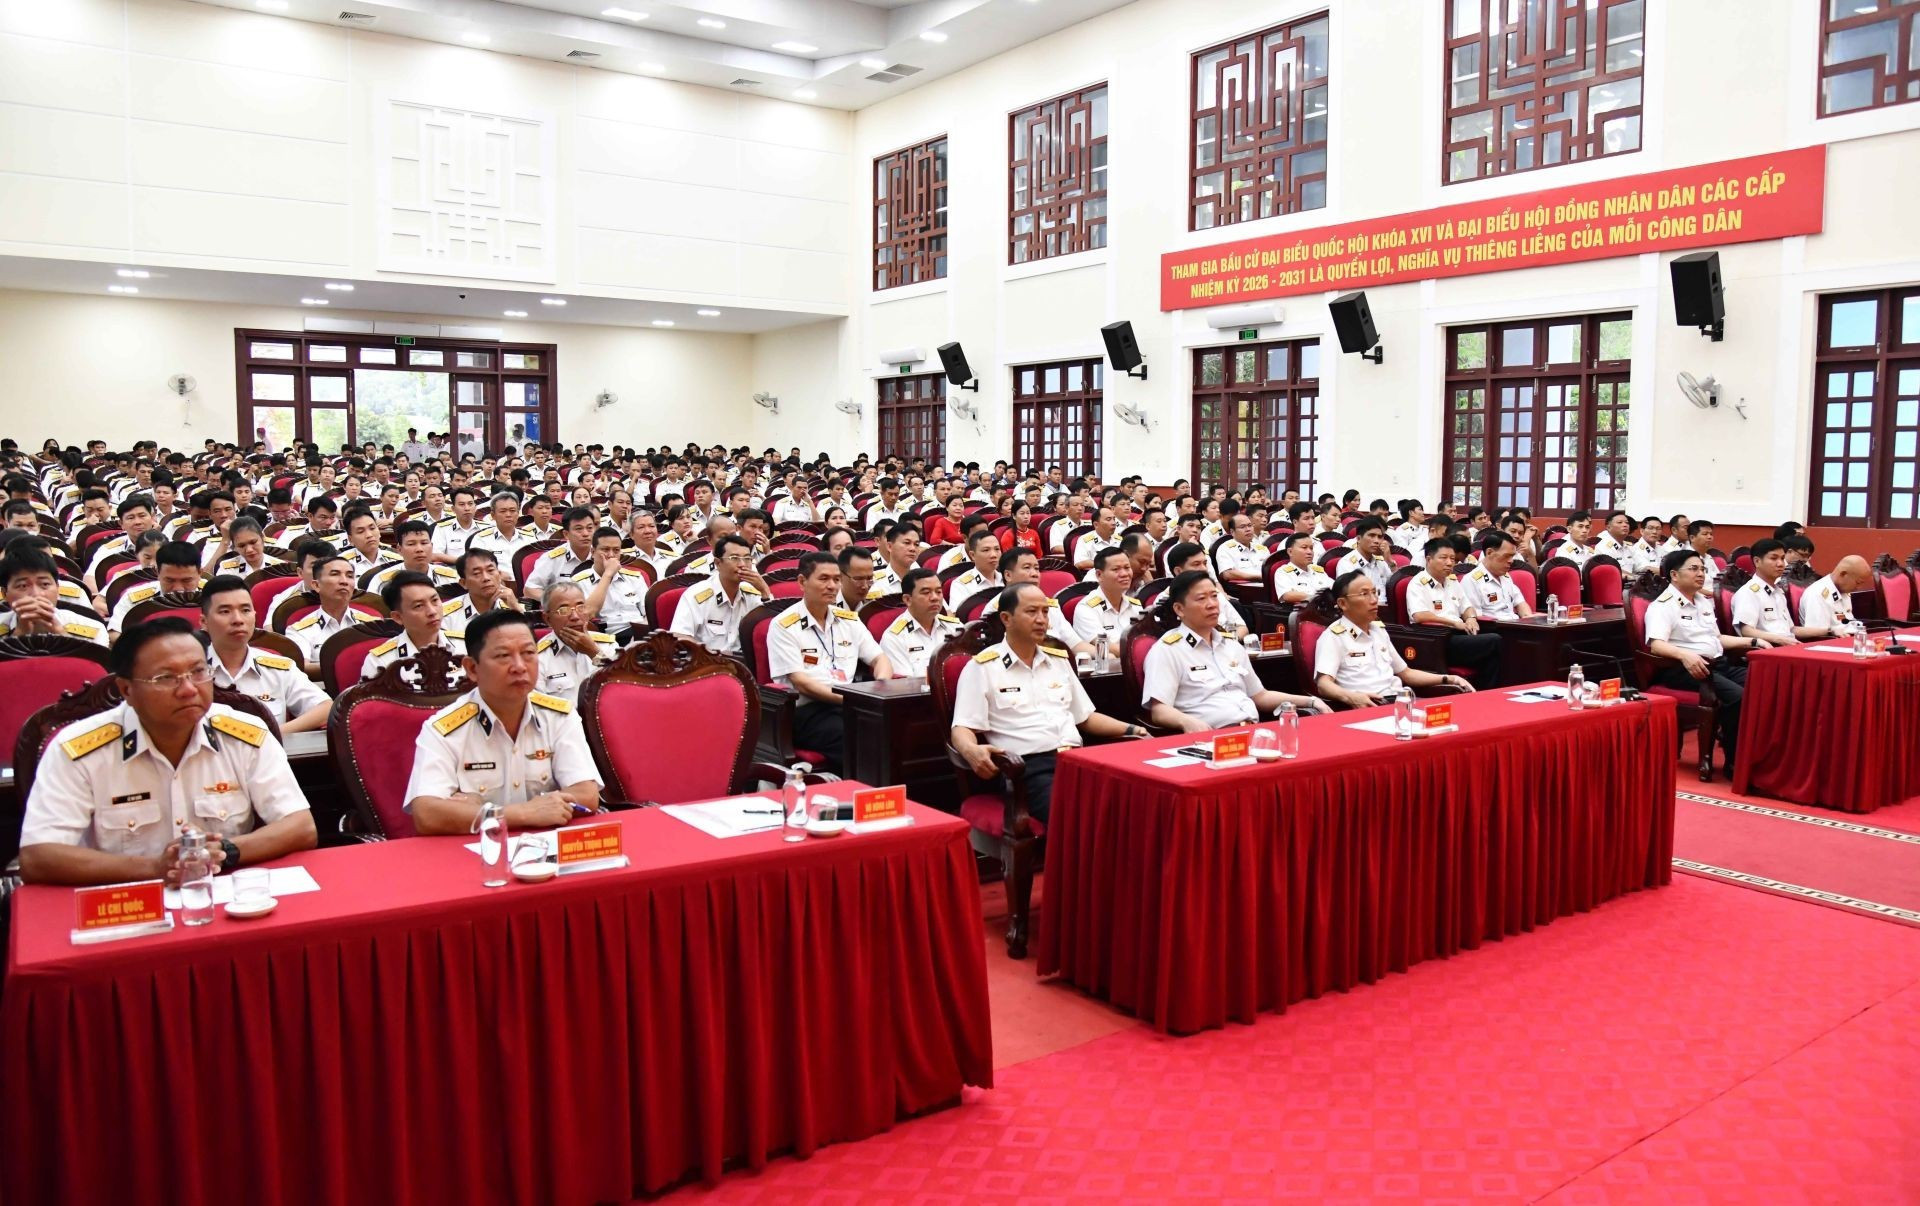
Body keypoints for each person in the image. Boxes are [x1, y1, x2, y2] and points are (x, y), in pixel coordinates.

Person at [19, 617, 317, 885]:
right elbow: (39, 857)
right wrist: (155, 868)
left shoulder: (245, 734)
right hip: (124, 904)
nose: (188, 689)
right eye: (166, 678)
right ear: (126, 690)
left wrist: (226, 850)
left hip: (221, 896)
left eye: (198, 672)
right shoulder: (78, 749)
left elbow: (300, 827)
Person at [950, 583, 1143, 823]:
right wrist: (971, 751)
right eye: (1032, 612)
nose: (1042, 619)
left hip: (1079, 761)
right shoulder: (983, 667)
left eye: (1045, 612)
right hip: (1029, 770)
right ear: (1006, 618)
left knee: (1134, 805)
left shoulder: (1058, 660)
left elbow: (1085, 717)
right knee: (1080, 818)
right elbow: (962, 727)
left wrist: (1134, 730)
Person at [403, 609, 602, 836]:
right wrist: (523, 813)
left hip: (547, 850)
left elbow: (586, 794)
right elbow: (427, 814)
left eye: (528, 653)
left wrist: (478, 811)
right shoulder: (444, 729)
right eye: (503, 656)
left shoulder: (559, 715)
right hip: (477, 855)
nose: (519, 666)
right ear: (472, 668)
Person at [1143, 571, 1327, 732]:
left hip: (1253, 730)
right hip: (1208, 737)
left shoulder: (1231, 644)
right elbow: (1159, 710)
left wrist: (1311, 701)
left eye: (1214, 596)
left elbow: (1260, 696)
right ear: (1179, 609)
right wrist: (1186, 722)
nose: (1212, 604)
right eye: (1201, 599)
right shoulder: (1167, 650)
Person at [765, 552, 894, 772]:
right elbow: (801, 682)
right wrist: (851, 700)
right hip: (806, 712)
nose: (832, 586)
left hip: (851, 704)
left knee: (894, 730)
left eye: (836, 579)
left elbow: (880, 658)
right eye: (824, 579)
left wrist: (879, 687)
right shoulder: (784, 625)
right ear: (802, 582)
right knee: (855, 738)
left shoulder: (848, 620)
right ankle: (860, 795)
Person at [1646, 550, 1755, 761]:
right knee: (1738, 697)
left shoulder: (1702, 601)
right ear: (1675, 575)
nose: (1700, 574)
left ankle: (1752, 750)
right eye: (1693, 569)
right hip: (1684, 668)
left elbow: (1716, 638)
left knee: (1762, 683)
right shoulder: (1662, 605)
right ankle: (1735, 762)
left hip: (1718, 664)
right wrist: (1685, 655)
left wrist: (1752, 641)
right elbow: (1656, 645)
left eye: (1702, 569)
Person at [1313, 571, 1474, 707]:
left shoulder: (1379, 630)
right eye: (1364, 594)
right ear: (1343, 603)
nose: (1374, 600)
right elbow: (1323, 684)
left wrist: (1448, 678)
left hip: (1399, 702)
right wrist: (1351, 697)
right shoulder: (1334, 636)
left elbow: (1406, 673)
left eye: (1375, 592)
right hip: (1368, 706)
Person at [200, 575, 330, 731]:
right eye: (225, 611)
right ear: (204, 622)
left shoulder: (279, 668)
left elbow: (325, 708)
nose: (238, 619)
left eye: (245, 610)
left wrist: (270, 736)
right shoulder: (188, 672)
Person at [1403, 538, 1503, 686]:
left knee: (1495, 653)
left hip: (1458, 636)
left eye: (1452, 559)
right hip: (1437, 641)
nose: (1450, 563)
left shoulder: (1452, 581)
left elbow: (1467, 607)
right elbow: (1419, 616)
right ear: (1429, 559)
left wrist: (1471, 619)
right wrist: (1454, 623)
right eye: (1443, 558)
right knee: (1495, 641)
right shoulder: (1418, 583)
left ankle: (1487, 692)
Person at [361, 570, 468, 682]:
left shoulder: (466, 645)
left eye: (435, 600)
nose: (432, 611)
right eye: (418, 606)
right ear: (398, 617)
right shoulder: (380, 662)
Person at [668, 533, 765, 656]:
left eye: (747, 559)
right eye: (734, 558)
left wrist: (765, 591)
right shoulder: (696, 595)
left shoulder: (752, 594)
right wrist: (711, 657)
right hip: (706, 665)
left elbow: (767, 634)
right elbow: (680, 636)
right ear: (718, 563)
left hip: (744, 666)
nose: (742, 564)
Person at [286, 555, 378, 672]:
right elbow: (300, 669)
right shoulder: (299, 631)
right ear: (316, 585)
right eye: (335, 574)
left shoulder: (373, 625)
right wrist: (350, 667)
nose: (344, 581)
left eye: (349, 576)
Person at [0, 543, 106, 644]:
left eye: (44, 584)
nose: (36, 594)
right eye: (23, 586)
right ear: (5, 594)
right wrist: (19, 635)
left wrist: (61, 635)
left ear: (57, 587)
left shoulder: (92, 629)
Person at [534, 580, 616, 704]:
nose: (575, 617)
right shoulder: (538, 658)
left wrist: (594, 653)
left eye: (580, 607)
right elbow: (541, 712)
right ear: (547, 619)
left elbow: (623, 686)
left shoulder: (607, 645)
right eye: (564, 610)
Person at [1001, 547, 1093, 654]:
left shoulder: (1050, 605)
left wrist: (1107, 656)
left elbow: (1075, 644)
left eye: (1036, 568)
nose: (1034, 574)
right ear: (1008, 575)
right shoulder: (996, 609)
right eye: (1027, 568)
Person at [107, 539, 204, 639]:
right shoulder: (135, 599)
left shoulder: (213, 595)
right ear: (157, 572)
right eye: (170, 580)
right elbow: (114, 633)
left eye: (186, 581)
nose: (178, 589)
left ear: (200, 573)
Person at [878, 567, 965, 678]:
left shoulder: (955, 628)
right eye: (926, 593)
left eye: (938, 592)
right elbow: (905, 685)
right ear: (907, 599)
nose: (934, 597)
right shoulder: (895, 637)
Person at [1731, 538, 1814, 645]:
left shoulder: (1778, 592)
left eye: (1782, 558)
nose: (1780, 563)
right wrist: (1780, 640)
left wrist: (1829, 630)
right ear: (1757, 561)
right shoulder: (1748, 593)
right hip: (1769, 649)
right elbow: (1746, 631)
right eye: (1774, 558)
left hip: (1789, 645)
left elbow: (1791, 629)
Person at [522, 505, 597, 600]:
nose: (586, 534)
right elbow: (530, 589)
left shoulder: (602, 555)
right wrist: (556, 602)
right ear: (566, 534)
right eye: (579, 529)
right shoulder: (553, 558)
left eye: (589, 528)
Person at [1072, 547, 1142, 647]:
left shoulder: (1135, 605)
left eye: (1127, 568)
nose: (1124, 574)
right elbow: (1106, 647)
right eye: (1116, 569)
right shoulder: (1086, 609)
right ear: (1099, 575)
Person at [1461, 532, 1534, 621]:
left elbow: (1520, 603)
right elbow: (1476, 618)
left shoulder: (1505, 577)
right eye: (1506, 556)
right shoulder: (1471, 580)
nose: (1511, 561)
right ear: (1489, 552)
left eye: (1512, 556)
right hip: (1494, 630)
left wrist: (1528, 618)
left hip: (1515, 626)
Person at [1797, 555, 1873, 636]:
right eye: (1858, 583)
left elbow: (1847, 621)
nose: (1858, 588)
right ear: (1843, 574)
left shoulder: (1843, 589)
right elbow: (1818, 635)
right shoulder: (1817, 594)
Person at [447, 548, 523, 628]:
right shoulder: (447, 617)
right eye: (477, 573)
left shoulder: (513, 607)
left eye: (490, 570)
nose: (486, 578)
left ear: (499, 575)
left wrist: (516, 609)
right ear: (463, 583)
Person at [467, 492, 532, 582]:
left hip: (527, 587)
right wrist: (496, 574)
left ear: (518, 513)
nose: (508, 514)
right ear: (493, 515)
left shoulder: (530, 539)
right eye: (503, 511)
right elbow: (475, 568)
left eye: (512, 510)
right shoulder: (481, 539)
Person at [946, 527, 1005, 609]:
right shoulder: (961, 584)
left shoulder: (1008, 579)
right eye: (986, 550)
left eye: (997, 549)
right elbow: (960, 617)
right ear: (972, 555)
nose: (994, 555)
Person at [1337, 517, 1395, 595]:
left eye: (1380, 537)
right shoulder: (1347, 563)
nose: (1376, 541)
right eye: (1372, 535)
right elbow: (1350, 597)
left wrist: (1389, 561)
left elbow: (1395, 587)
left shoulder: (1381, 562)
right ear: (1358, 539)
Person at [1270, 531, 1328, 603]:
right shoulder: (1283, 572)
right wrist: (1317, 598)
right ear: (1290, 552)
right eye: (1304, 548)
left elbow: (1333, 588)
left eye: (1311, 548)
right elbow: (1287, 595)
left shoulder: (1317, 570)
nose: (1309, 552)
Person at [868, 521, 921, 598]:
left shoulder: (925, 580)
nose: (913, 549)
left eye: (916, 544)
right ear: (889, 546)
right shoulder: (874, 582)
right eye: (907, 543)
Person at [432, 486, 483, 564]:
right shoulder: (442, 528)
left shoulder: (486, 528)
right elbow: (435, 555)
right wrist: (464, 563)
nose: (467, 508)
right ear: (453, 509)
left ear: (475, 507)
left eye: (470, 504)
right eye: (462, 504)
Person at [1212, 511, 1267, 583]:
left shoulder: (1261, 548)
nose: (1248, 529)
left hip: (1265, 585)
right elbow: (1227, 574)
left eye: (1250, 525)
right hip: (1243, 589)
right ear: (1232, 532)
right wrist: (1258, 578)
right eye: (1242, 527)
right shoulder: (1225, 548)